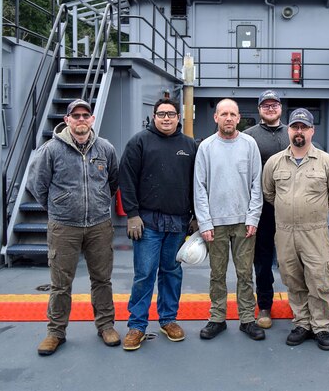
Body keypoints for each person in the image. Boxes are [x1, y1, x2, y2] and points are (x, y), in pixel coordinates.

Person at [27, 99, 120, 356]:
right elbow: (37, 185)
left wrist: (99, 203)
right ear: (67, 120)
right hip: (64, 227)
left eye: (85, 115)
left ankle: (106, 325)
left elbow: (113, 181)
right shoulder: (50, 150)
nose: (81, 119)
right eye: (75, 115)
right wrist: (59, 206)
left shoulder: (106, 149)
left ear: (91, 119)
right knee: (60, 283)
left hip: (99, 225)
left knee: (102, 279)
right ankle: (56, 332)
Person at [263, 108, 329, 351]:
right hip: (285, 232)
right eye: (295, 127)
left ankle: (320, 326)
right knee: (293, 279)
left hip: (314, 232)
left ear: (312, 131)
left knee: (319, 279)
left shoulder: (327, 162)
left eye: (304, 127)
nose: (299, 132)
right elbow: (269, 193)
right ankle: (302, 323)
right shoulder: (274, 162)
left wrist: (315, 208)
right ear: (289, 130)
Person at [118, 99, 197, 351]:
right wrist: (132, 214)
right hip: (147, 221)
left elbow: (197, 182)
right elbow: (126, 178)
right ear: (153, 116)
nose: (166, 118)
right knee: (145, 273)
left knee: (172, 272)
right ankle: (137, 325)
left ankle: (168, 319)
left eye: (170, 114)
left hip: (178, 222)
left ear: (178, 117)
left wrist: (195, 215)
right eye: (161, 114)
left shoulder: (189, 146)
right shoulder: (139, 142)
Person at [194, 98, 265, 341]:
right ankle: (217, 318)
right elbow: (199, 187)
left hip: (244, 222)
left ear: (238, 118)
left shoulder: (249, 144)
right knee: (217, 273)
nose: (228, 118)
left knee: (245, 273)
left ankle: (247, 319)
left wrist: (253, 217)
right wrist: (204, 222)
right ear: (216, 118)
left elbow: (258, 183)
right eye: (223, 114)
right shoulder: (206, 147)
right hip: (216, 223)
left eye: (232, 114)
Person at [243, 90, 290, 329]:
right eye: (266, 105)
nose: (271, 108)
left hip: (291, 210)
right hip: (261, 210)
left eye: (275, 104)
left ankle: (299, 304)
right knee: (261, 261)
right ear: (259, 108)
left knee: (293, 259)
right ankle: (264, 305)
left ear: (281, 108)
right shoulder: (248, 137)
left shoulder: (294, 133)